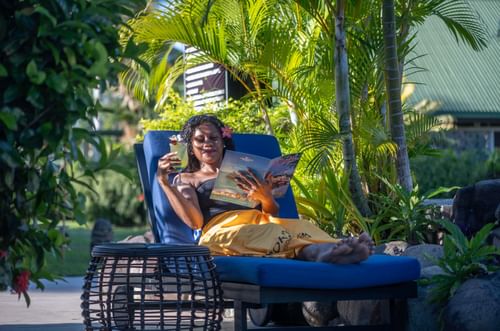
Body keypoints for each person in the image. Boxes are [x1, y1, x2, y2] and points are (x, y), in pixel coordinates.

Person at [157, 114, 373, 264]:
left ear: (223, 142)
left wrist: (265, 197)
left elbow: (271, 213)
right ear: (191, 148)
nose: (207, 144)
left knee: (298, 225)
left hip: (260, 221)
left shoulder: (245, 170)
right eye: (199, 140)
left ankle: (330, 250)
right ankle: (328, 252)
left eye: (213, 138)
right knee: (269, 232)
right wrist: (164, 181)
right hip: (221, 232)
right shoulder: (187, 178)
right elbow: (195, 222)